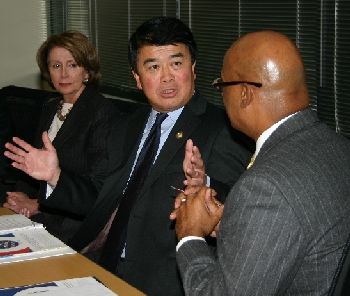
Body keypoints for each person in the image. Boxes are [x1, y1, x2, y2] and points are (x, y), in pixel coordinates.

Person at [4, 17, 252, 295]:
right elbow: (101, 198)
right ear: (137, 78)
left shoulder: (222, 129)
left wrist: (205, 184)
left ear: (193, 69)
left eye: (176, 63)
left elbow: (244, 214)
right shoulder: (127, 125)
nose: (167, 76)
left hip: (163, 281)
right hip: (97, 262)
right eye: (154, 67)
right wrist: (55, 176)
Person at [170, 30, 350, 295]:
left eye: (222, 85)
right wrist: (233, 224)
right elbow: (299, 232)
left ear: (244, 94)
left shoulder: (266, 186)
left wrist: (190, 235)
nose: (221, 96)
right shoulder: (338, 147)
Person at [3, 31, 119, 243]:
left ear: (87, 71)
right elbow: (35, 165)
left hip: (72, 225)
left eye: (72, 65)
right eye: (56, 66)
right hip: (41, 216)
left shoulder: (102, 112)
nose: (64, 74)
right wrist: (17, 198)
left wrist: (37, 205)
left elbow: (96, 191)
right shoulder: (50, 107)